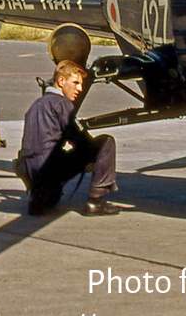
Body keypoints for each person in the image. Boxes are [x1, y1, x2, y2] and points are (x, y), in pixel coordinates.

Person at [15, 59, 120, 216]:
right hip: (47, 167)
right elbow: (75, 137)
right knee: (106, 143)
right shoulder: (62, 103)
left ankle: (37, 195)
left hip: (26, 167)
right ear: (61, 81)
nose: (80, 88)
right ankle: (96, 201)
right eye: (76, 83)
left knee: (53, 198)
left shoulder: (36, 104)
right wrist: (91, 155)